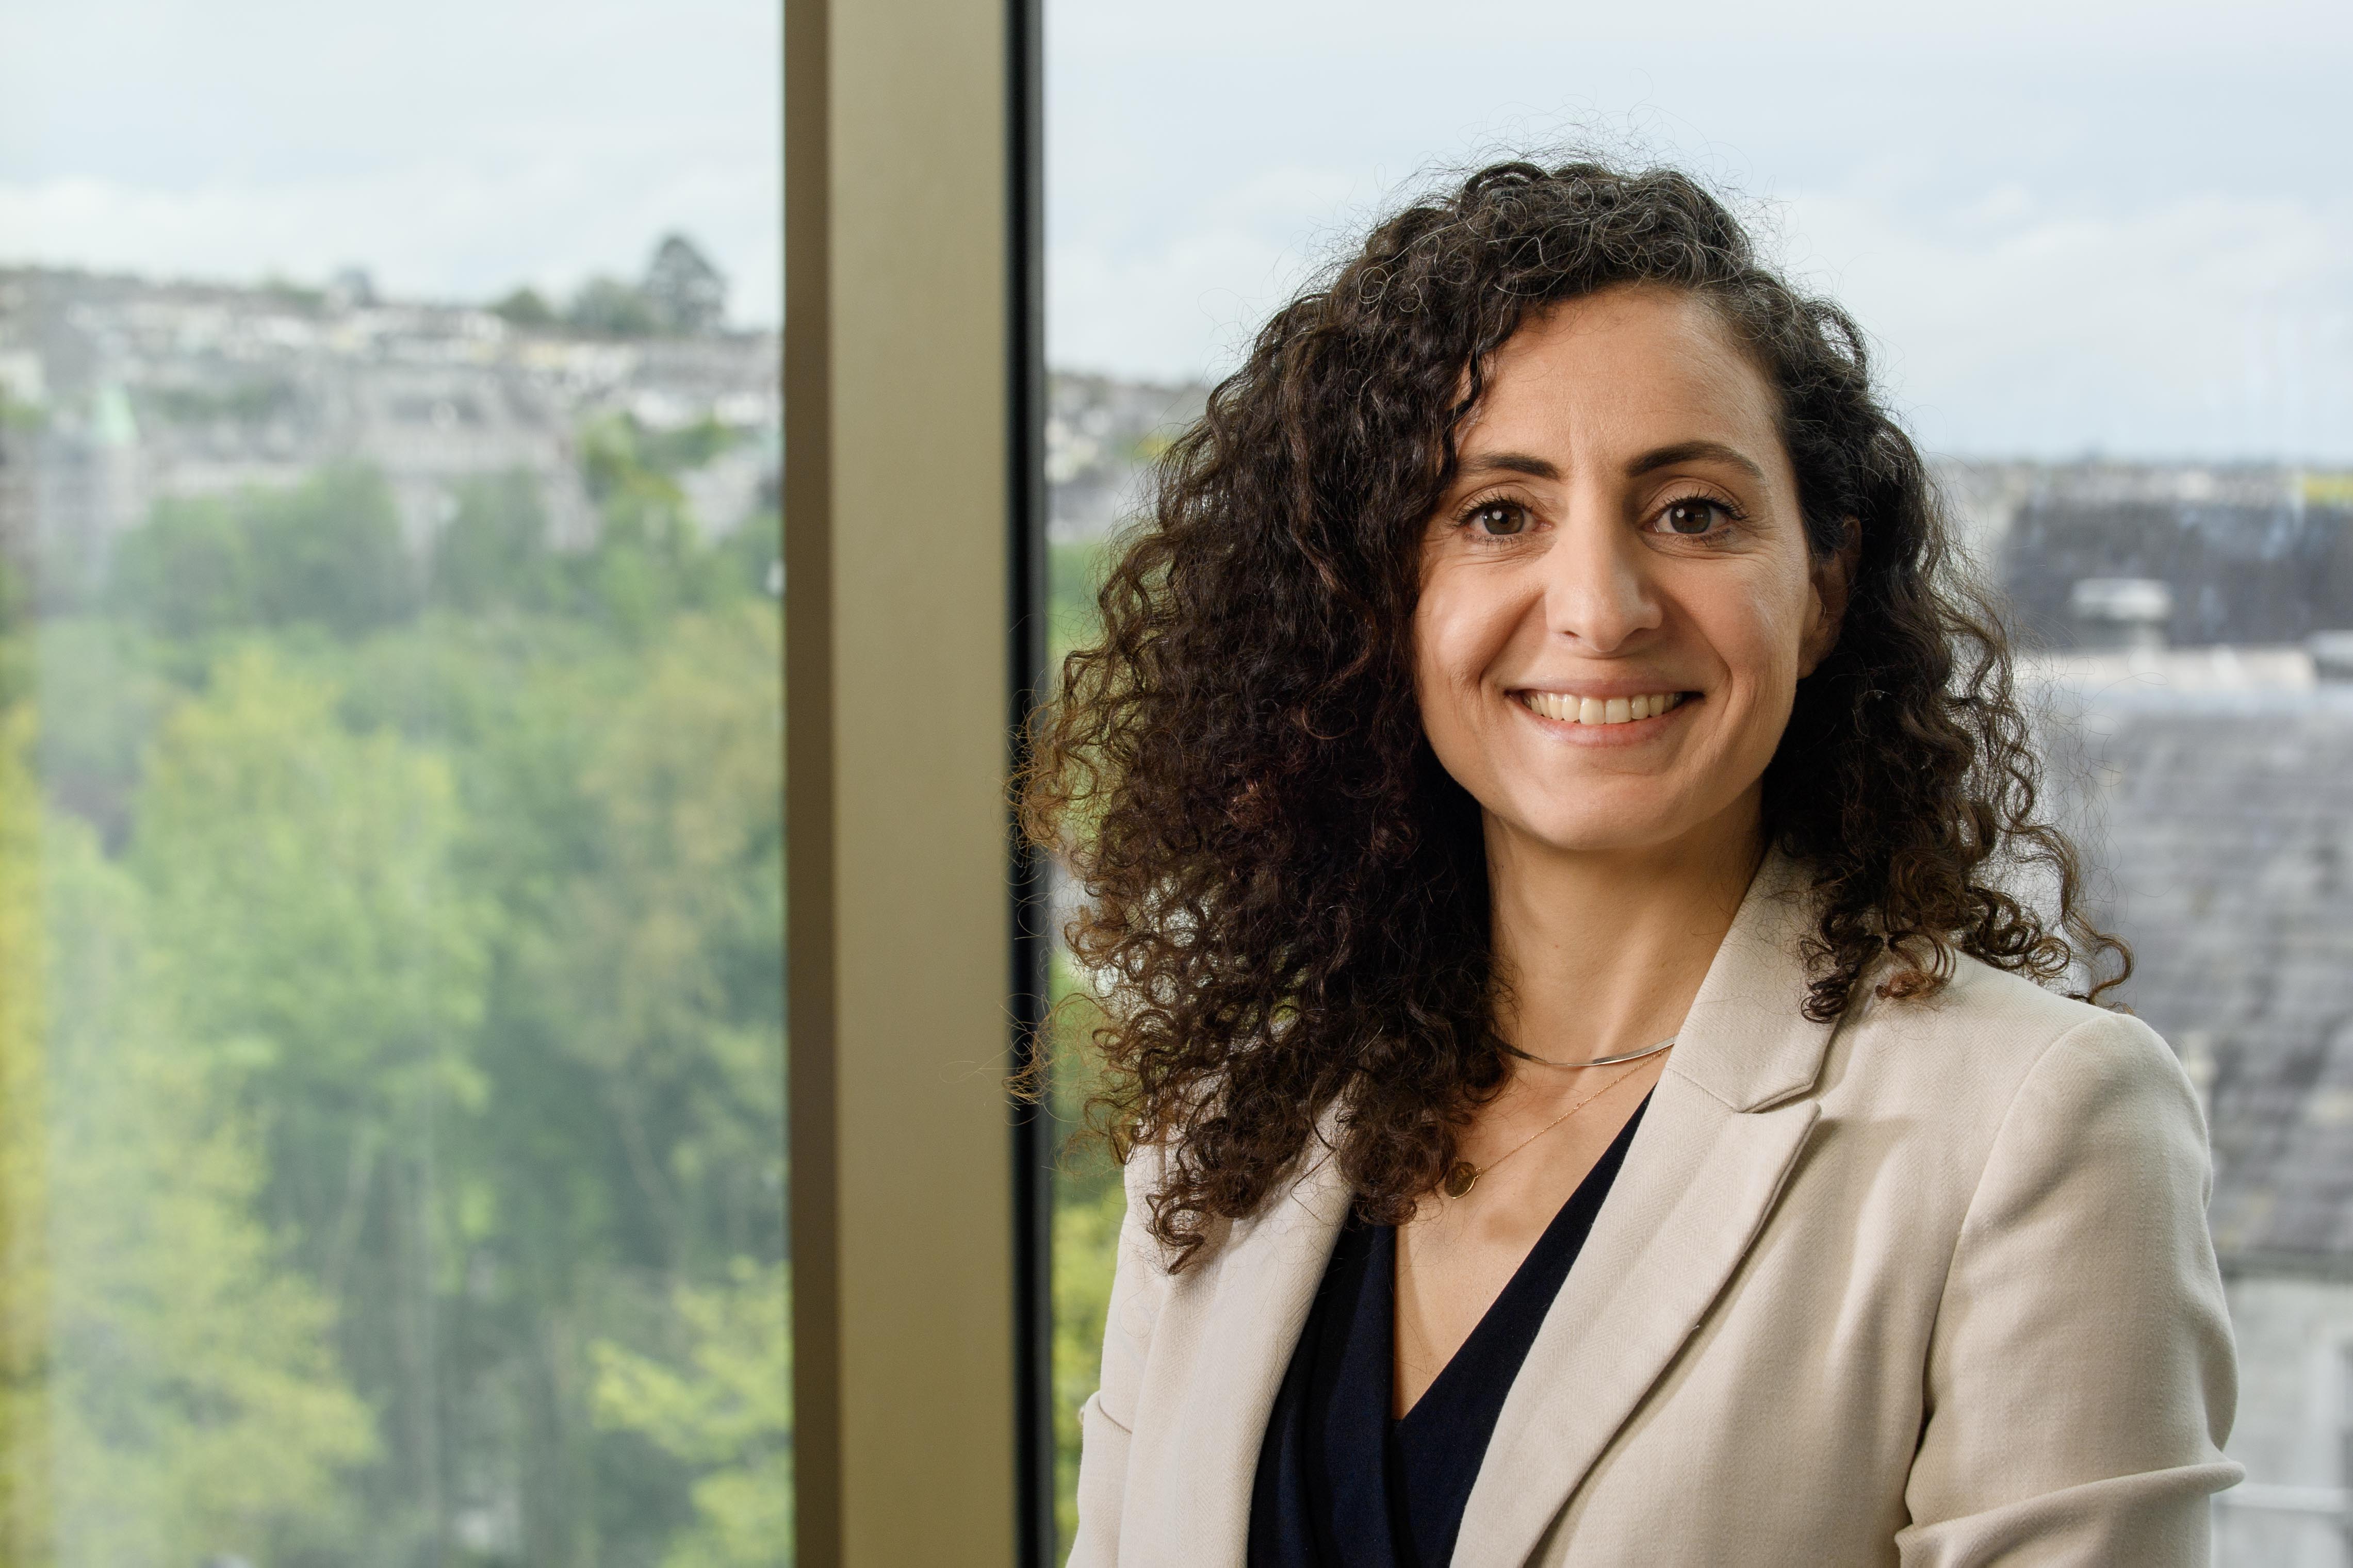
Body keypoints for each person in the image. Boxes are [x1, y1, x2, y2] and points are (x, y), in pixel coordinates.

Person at [1023, 158, 2240, 1566]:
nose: (1598, 607)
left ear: (1823, 588)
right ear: (1380, 598)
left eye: (1691, 512)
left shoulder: (2035, 1128)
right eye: (1497, 514)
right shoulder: (1232, 1130)